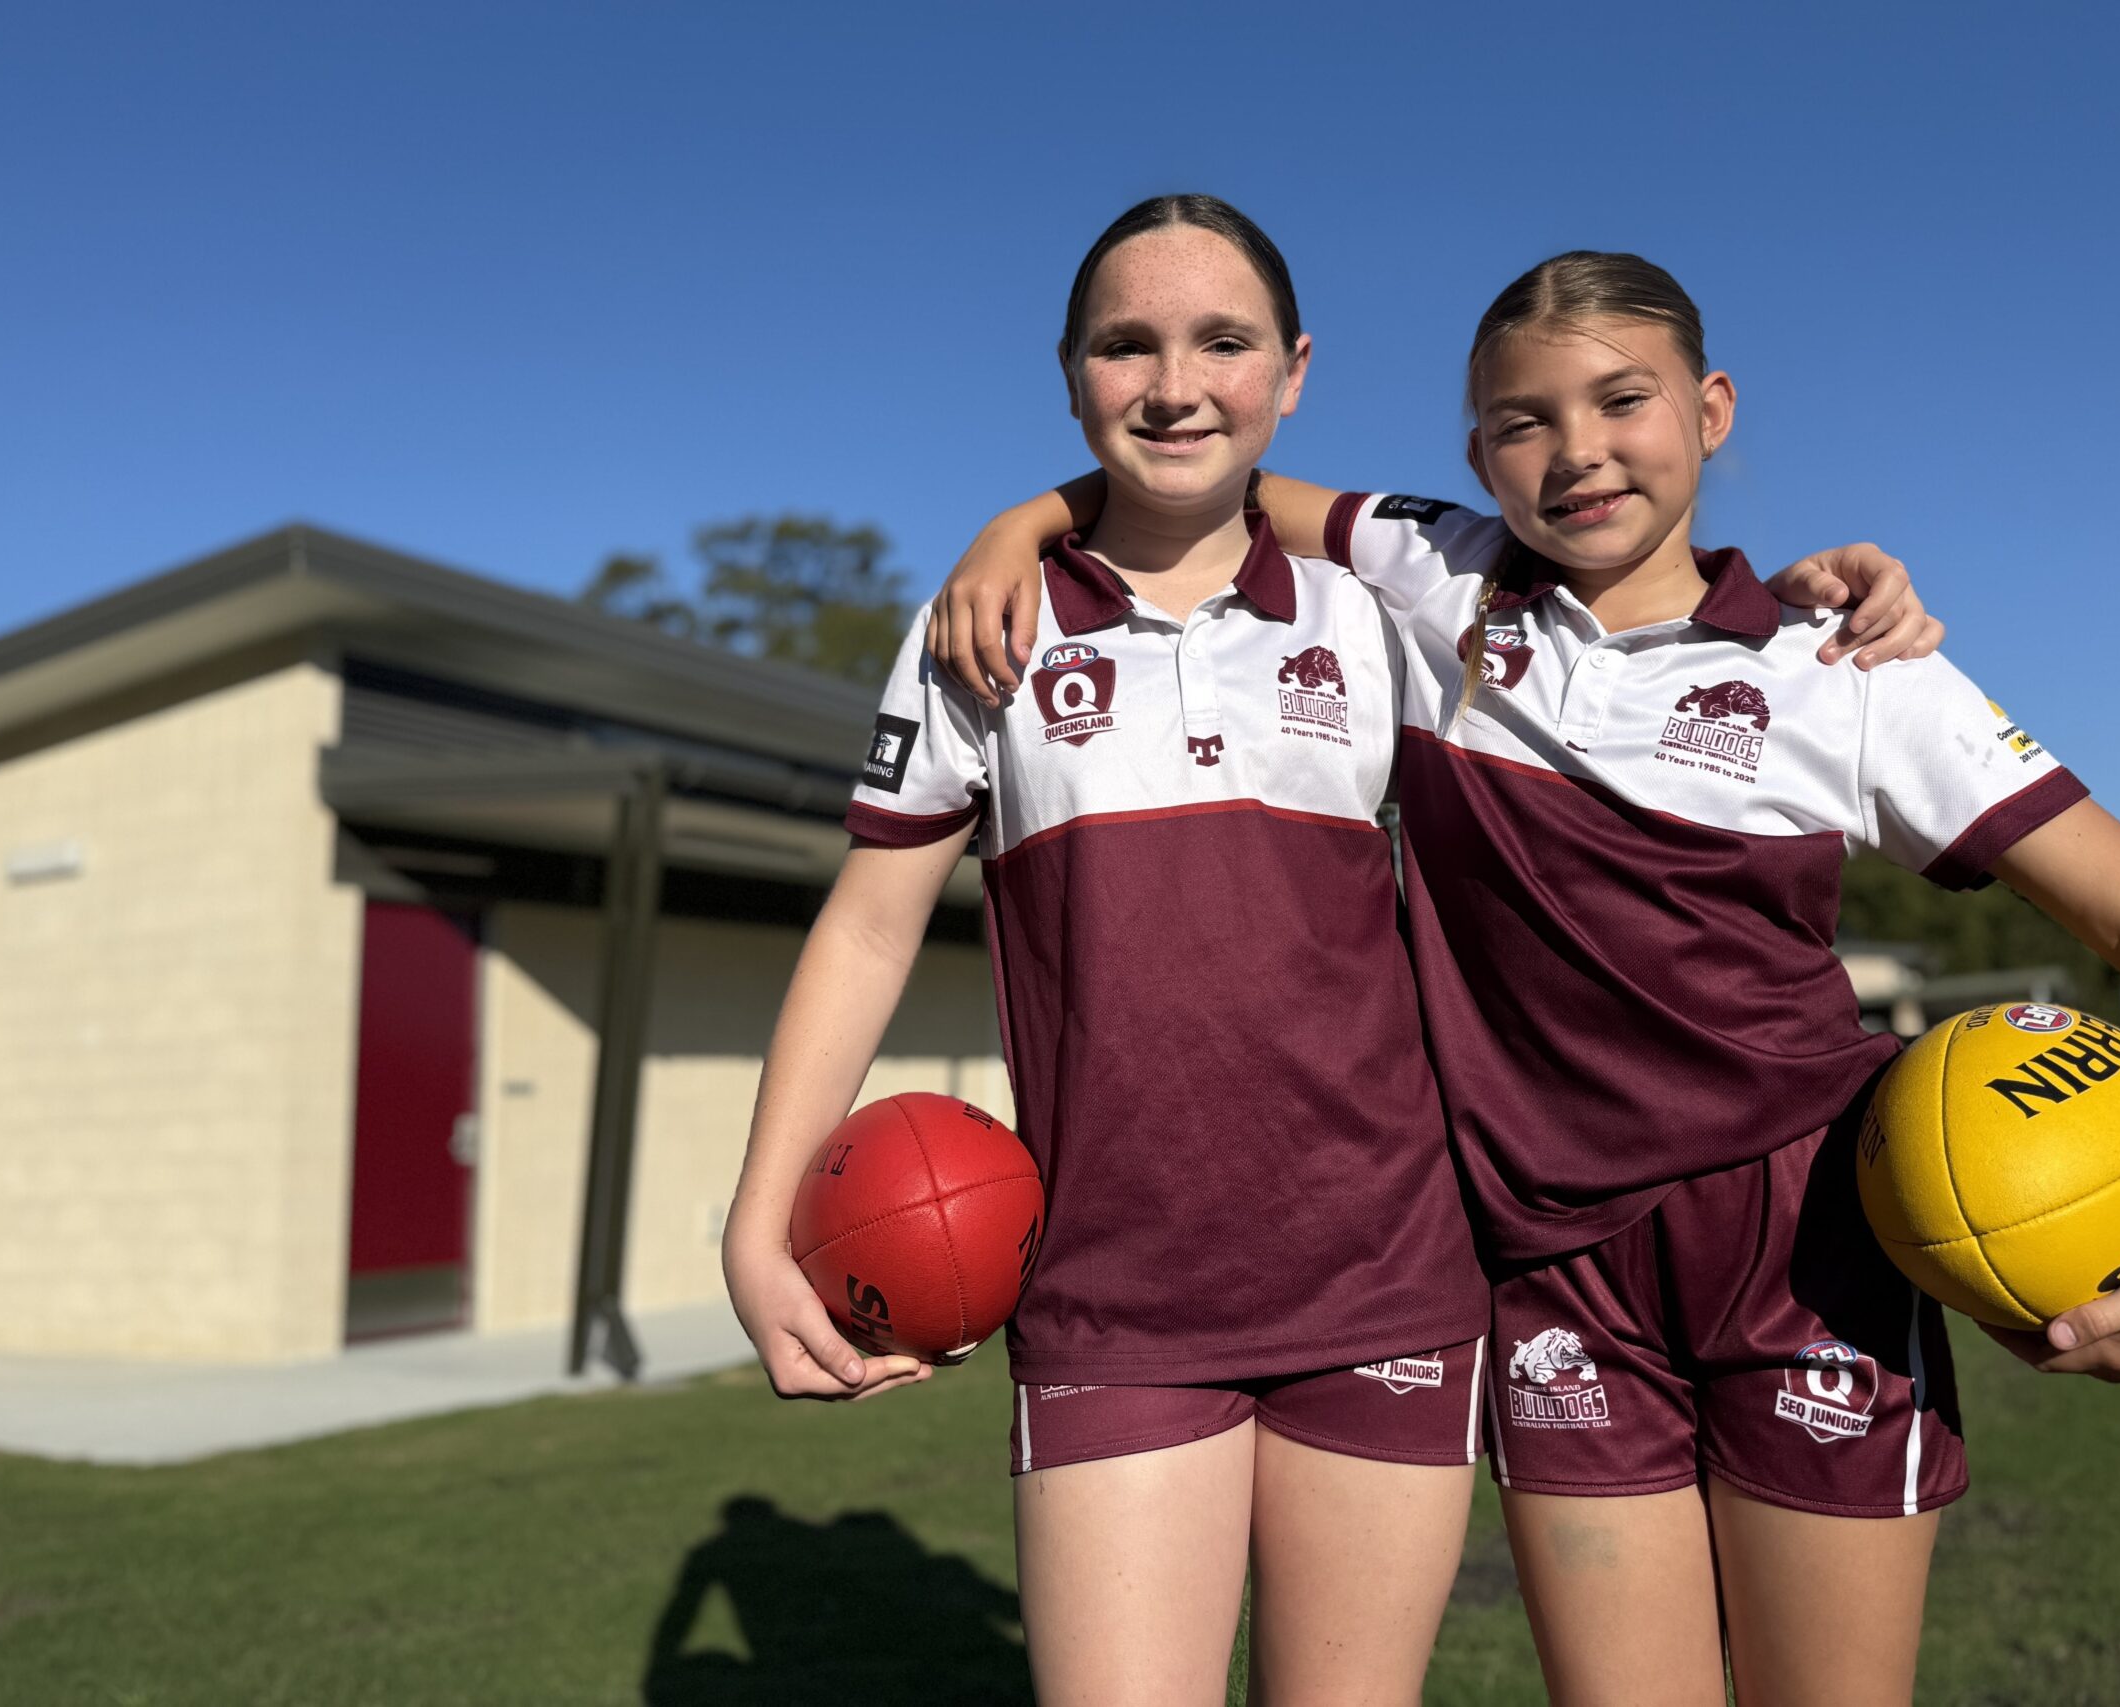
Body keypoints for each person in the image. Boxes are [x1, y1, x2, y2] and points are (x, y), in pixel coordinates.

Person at [936, 250, 2120, 1707]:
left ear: (1711, 409)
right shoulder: (1439, 574)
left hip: (1810, 1258)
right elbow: (1207, 462)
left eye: (1623, 400)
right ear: (1475, 456)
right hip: (1554, 1274)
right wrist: (1016, 528)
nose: (1577, 451)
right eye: (1523, 422)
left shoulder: (1846, 666)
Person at [727, 200, 1936, 1707]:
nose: (1175, 384)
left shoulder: (1401, 605)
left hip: (1389, 1285)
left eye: (1223, 342)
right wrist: (760, 1215)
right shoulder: (987, 622)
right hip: (1113, 1299)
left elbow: (1636, 593)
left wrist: (1831, 591)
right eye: (1127, 345)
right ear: (1070, 374)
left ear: (1291, 372)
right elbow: (867, 922)